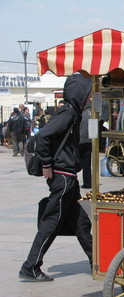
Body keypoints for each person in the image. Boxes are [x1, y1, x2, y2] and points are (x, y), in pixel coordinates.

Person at [19, 74, 93, 282]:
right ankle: (30, 266)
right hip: (62, 178)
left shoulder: (73, 113)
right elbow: (43, 136)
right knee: (51, 222)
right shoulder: (68, 113)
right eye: (87, 93)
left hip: (69, 177)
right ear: (80, 93)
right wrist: (47, 165)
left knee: (81, 222)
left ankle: (95, 260)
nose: (89, 98)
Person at [79, 103, 92, 189]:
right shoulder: (89, 117)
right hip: (88, 142)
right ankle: (87, 183)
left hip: (78, 142)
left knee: (74, 163)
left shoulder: (77, 116)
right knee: (87, 165)